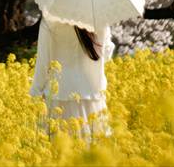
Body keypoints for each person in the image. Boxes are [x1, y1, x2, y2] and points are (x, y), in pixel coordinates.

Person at [28, 12, 115, 144]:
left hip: (59, 95)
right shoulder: (99, 16)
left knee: (58, 154)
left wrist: (35, 93)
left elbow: (43, 62)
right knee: (93, 152)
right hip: (91, 95)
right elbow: (105, 55)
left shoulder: (51, 16)